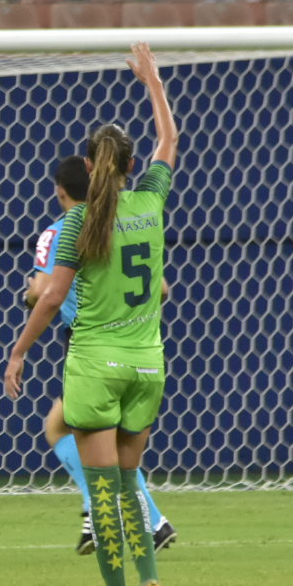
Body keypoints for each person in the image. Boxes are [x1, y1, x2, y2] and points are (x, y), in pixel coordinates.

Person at [5, 42, 177, 586]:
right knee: (130, 484)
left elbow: (52, 297)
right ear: (132, 166)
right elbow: (170, 140)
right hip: (148, 366)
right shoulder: (151, 201)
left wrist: (19, 351)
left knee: (103, 491)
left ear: (88, 165)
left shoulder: (79, 219)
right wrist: (153, 83)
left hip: (96, 367)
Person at [25, 156, 177, 554]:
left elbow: (43, 293)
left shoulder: (59, 231)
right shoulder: (124, 221)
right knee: (100, 439)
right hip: (138, 341)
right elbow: (161, 289)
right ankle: (136, 520)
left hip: (89, 344)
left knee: (66, 431)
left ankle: (133, 518)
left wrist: (29, 298)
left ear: (60, 192)